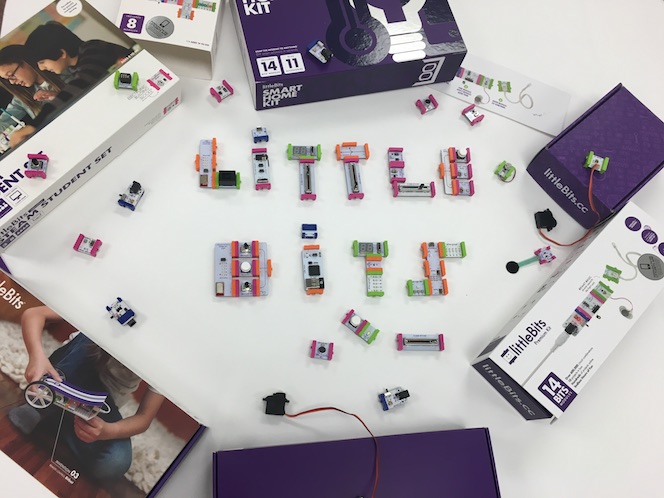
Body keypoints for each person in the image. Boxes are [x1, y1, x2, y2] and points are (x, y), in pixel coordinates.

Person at [9, 306, 165, 482]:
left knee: (115, 462)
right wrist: (36, 356)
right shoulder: (109, 304)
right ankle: (45, 410)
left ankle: (59, 420)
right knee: (92, 334)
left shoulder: (167, 355)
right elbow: (34, 314)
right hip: (65, 377)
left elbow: (144, 419)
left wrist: (108, 431)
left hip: (97, 407)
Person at [8, 22, 134, 146]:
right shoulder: (76, 66)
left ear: (62, 53)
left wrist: (34, 125)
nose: (42, 68)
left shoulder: (94, 49)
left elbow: (81, 84)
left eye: (43, 62)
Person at [0, 45, 64, 132]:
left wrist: (59, 96)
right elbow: (3, 122)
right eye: (8, 80)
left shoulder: (61, 73)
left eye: (11, 75)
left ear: (25, 61)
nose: (12, 82)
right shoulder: (22, 98)